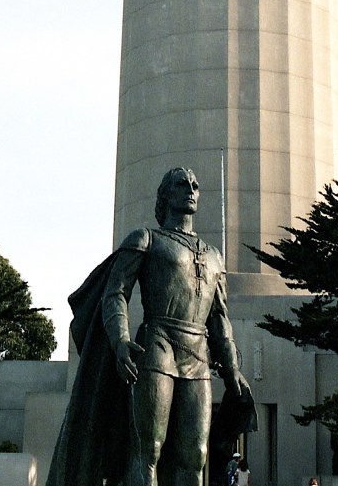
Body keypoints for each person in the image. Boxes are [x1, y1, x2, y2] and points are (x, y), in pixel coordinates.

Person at [47, 167, 256, 486]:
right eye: (181, 184)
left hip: (198, 356)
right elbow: (114, 292)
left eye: (195, 185)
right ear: (166, 195)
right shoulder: (146, 239)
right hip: (158, 346)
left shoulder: (213, 256)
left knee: (195, 454)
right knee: (149, 450)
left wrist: (231, 369)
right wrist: (120, 340)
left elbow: (220, 320)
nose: (190, 189)